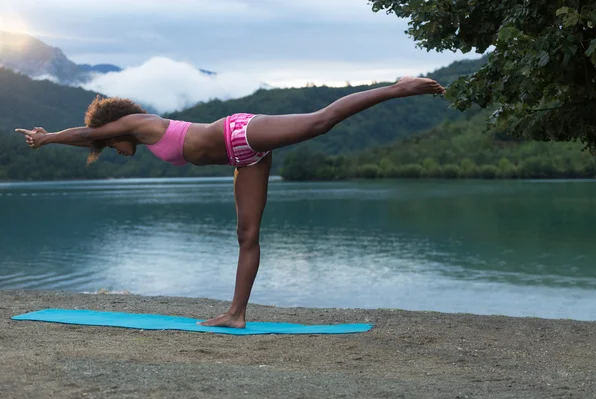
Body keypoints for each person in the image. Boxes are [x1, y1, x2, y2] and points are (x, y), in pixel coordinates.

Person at [16, 76, 446, 328]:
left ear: (114, 130)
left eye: (110, 144)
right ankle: (236, 313)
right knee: (247, 234)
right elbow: (90, 142)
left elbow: (88, 135)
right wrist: (61, 142)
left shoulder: (138, 123)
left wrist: (48, 137)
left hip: (238, 133)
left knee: (320, 122)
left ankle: (398, 88)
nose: (113, 150)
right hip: (245, 157)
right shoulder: (136, 136)